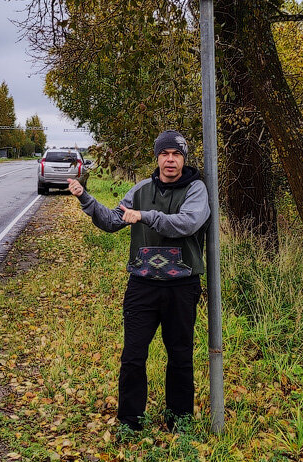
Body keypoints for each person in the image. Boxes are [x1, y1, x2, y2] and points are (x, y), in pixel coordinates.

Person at [67, 130, 210, 432]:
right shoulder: (141, 188)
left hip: (181, 286)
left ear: (184, 159)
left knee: (180, 354)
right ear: (157, 157)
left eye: (177, 154)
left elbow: (187, 223)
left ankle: (179, 420)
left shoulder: (196, 189)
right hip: (142, 286)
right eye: (165, 154)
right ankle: (130, 422)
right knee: (133, 355)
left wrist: (145, 216)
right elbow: (110, 221)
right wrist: (85, 198)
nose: (170, 160)